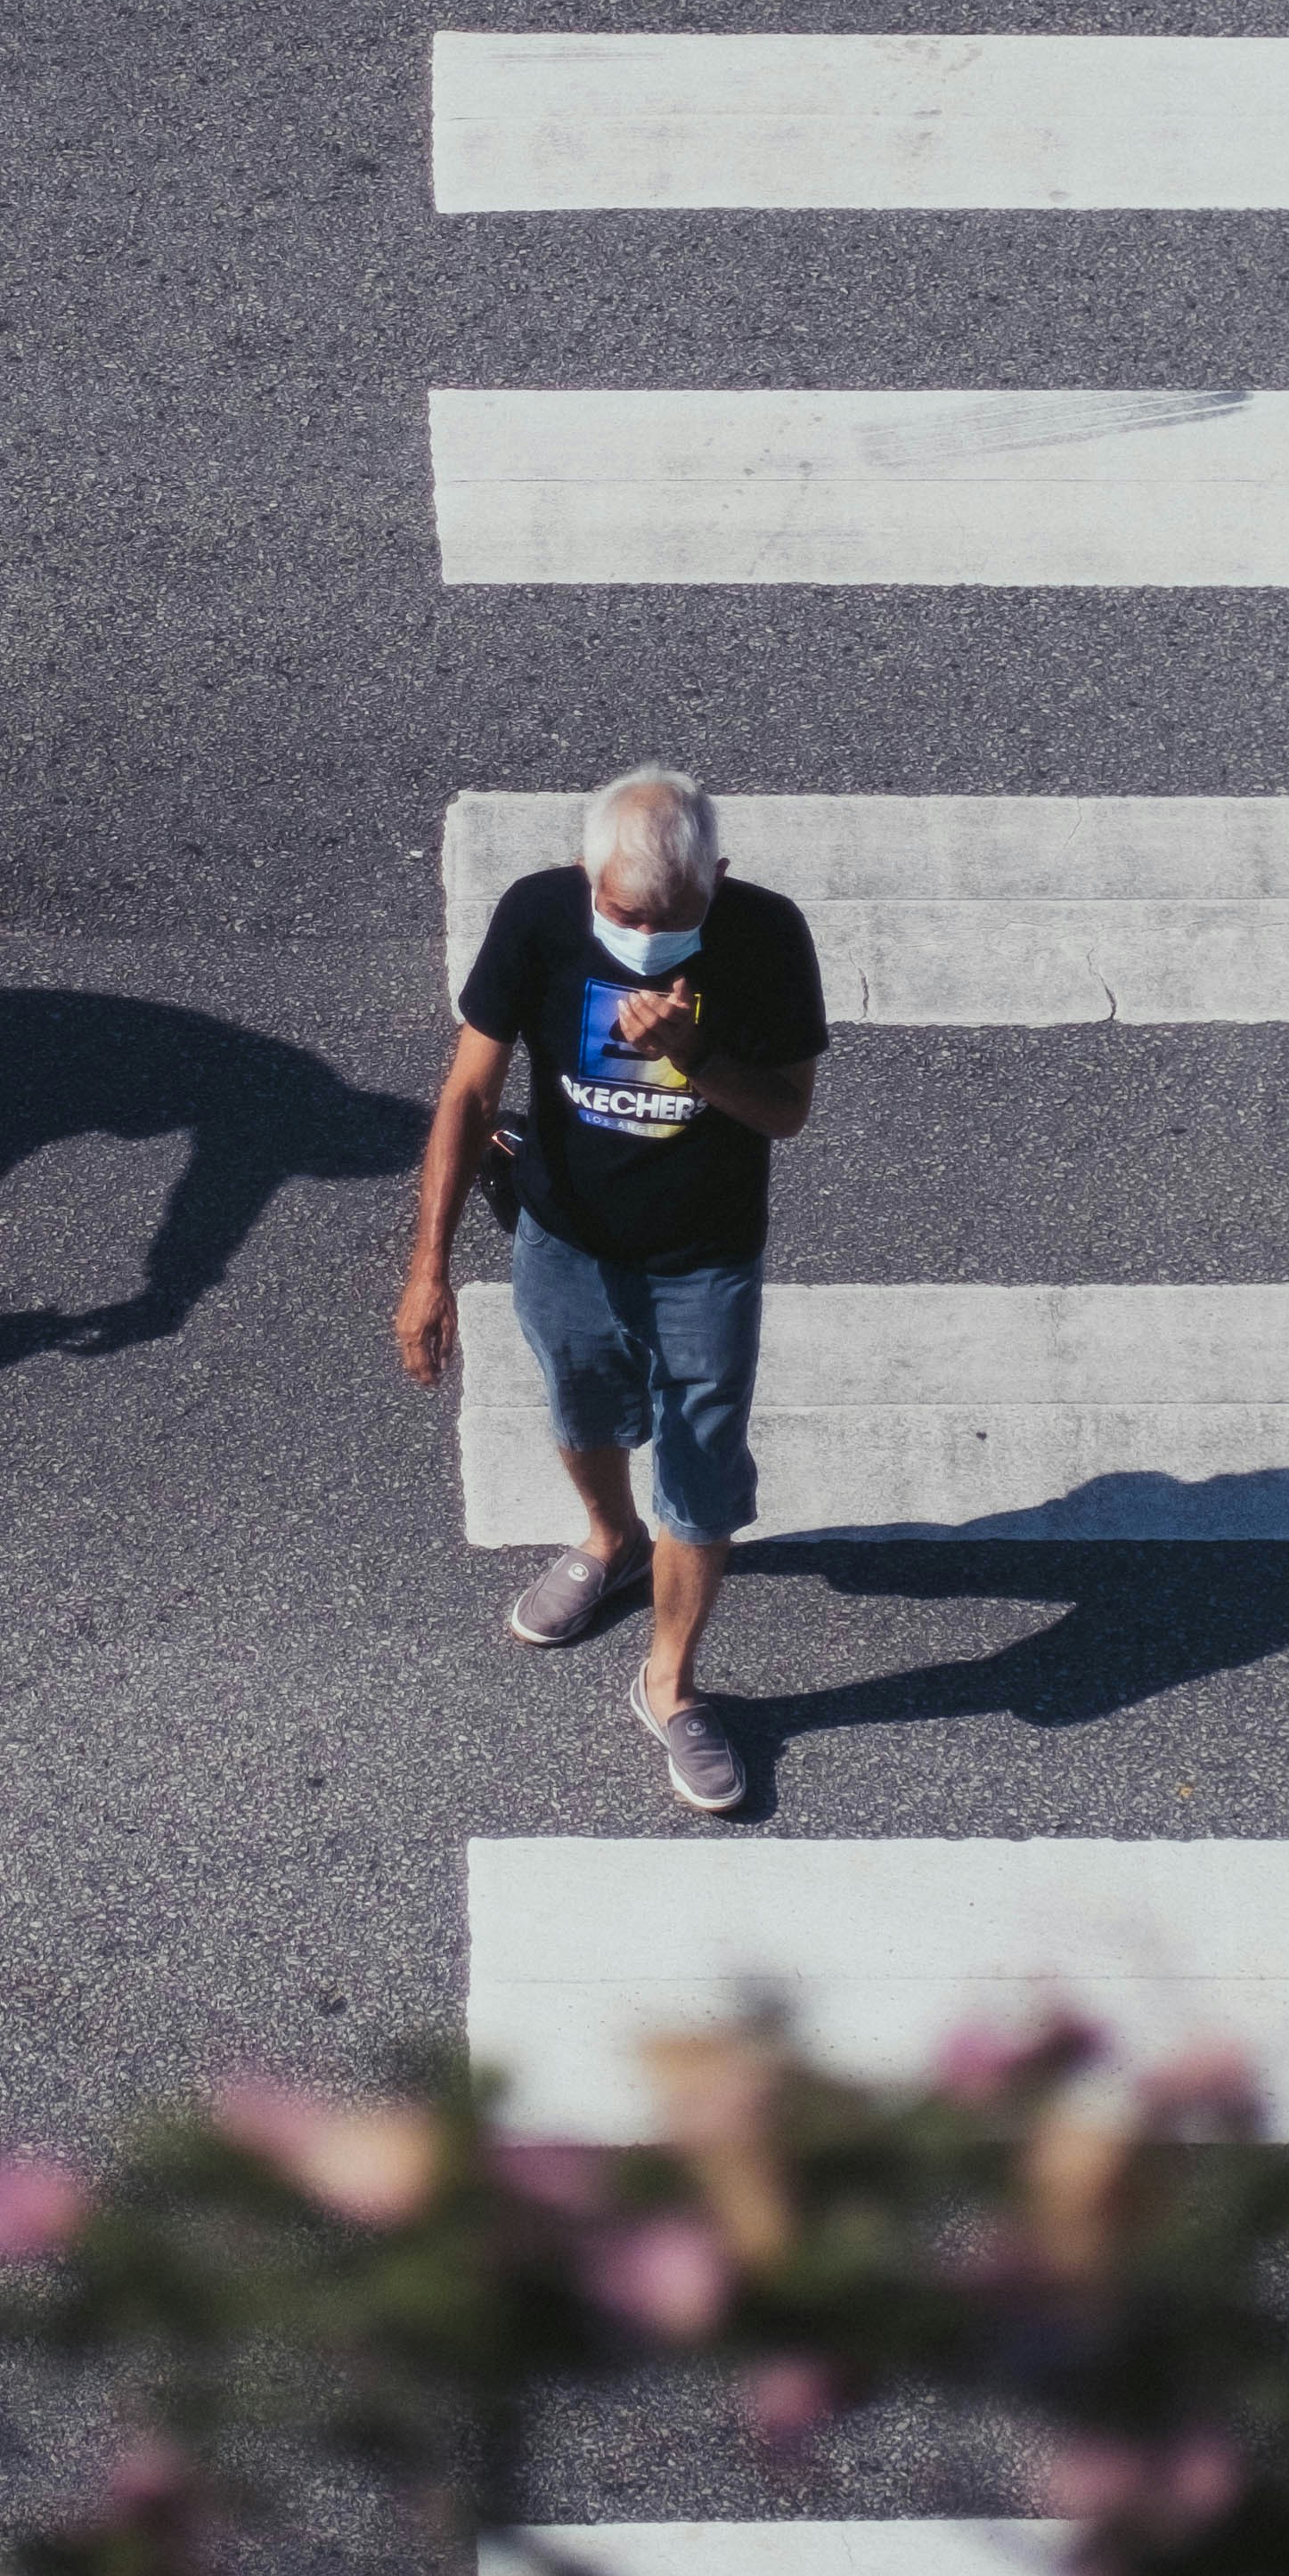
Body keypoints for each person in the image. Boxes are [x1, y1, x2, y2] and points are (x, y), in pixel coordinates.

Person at [395, 767, 825, 1817]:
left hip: (703, 1258)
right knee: (580, 1408)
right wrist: (426, 1269)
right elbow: (466, 1090)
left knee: (703, 1469)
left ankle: (667, 1680)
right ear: (588, 875)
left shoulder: (765, 937)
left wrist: (692, 1056)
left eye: (671, 918)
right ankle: (610, 1541)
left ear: (714, 881)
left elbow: (784, 1114)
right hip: (564, 1240)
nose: (644, 935)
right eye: (625, 914)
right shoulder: (539, 916)